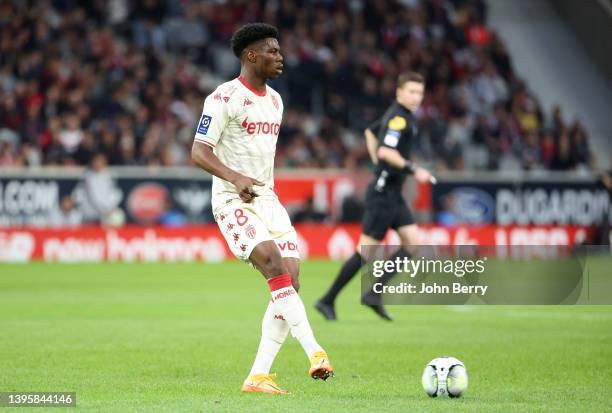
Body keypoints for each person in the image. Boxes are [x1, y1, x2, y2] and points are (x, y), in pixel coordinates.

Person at [191, 23, 333, 395]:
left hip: (268, 200)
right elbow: (199, 151)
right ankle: (315, 351)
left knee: (291, 280)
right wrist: (235, 177)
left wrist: (255, 183)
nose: (280, 56)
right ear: (251, 55)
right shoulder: (223, 98)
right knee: (271, 261)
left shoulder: (275, 100)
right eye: (272, 50)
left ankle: (258, 376)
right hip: (231, 200)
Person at [315, 72, 432, 321]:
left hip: (393, 193)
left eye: (419, 92)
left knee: (412, 243)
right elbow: (386, 151)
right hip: (382, 194)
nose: (416, 97)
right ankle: (327, 299)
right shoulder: (399, 119)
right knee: (366, 253)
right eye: (411, 91)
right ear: (399, 92)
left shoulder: (400, 115)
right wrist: (413, 169)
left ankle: (374, 294)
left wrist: (378, 160)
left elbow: (370, 132)